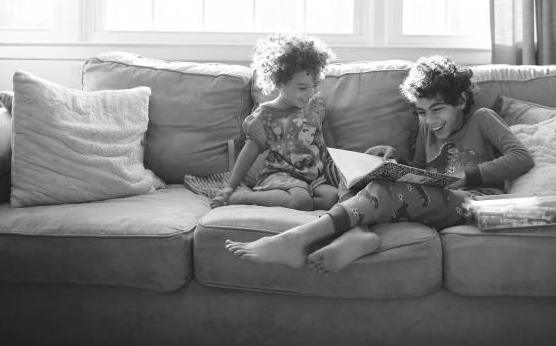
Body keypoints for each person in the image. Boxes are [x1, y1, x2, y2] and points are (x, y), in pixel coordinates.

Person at [225, 55, 535, 274]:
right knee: (364, 178)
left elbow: (522, 158)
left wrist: (465, 176)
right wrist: (392, 160)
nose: (430, 120)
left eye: (437, 110)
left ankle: (300, 238)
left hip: (472, 202)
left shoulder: (482, 119)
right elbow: (418, 167)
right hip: (435, 200)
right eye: (422, 112)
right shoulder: (426, 128)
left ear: (463, 101)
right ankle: (356, 233)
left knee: (386, 192)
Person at [210, 33, 340, 211]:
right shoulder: (265, 114)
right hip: (280, 175)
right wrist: (230, 186)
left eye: (314, 85)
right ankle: (244, 197)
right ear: (279, 82)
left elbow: (327, 136)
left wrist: (341, 166)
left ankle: (304, 202)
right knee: (300, 200)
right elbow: (249, 153)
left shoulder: (316, 105)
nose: (310, 93)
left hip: (314, 176)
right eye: (302, 88)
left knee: (333, 197)